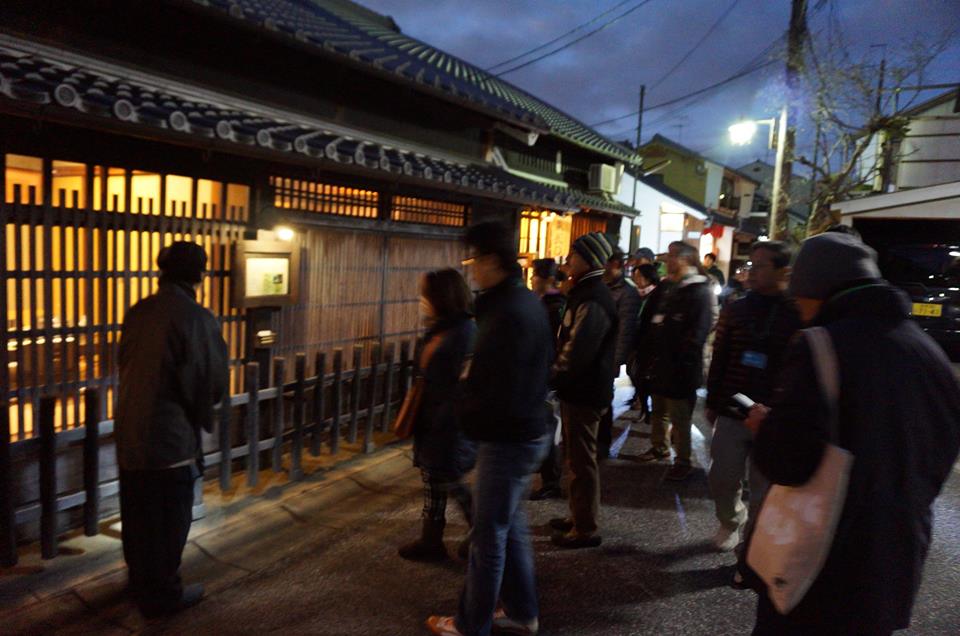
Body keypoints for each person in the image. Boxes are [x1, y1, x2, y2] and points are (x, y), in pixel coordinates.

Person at [744, 232, 960, 635]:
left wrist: (766, 428)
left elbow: (788, 462)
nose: (798, 307)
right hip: (895, 556)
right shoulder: (930, 353)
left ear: (818, 289)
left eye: (800, 296)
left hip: (824, 560)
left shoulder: (820, 346)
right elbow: (941, 453)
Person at [426, 222, 552, 636]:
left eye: (475, 260)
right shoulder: (523, 302)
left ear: (492, 260)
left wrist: (466, 412)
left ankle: (471, 623)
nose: (472, 269)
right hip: (526, 430)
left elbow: (489, 381)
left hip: (507, 437)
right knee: (508, 527)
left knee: (488, 536)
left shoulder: (507, 312)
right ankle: (522, 611)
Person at [116, 241, 228, 618]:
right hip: (170, 439)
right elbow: (210, 381)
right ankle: (163, 595)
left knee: (138, 516)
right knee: (169, 520)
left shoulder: (138, 311)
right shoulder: (196, 317)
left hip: (130, 435)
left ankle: (139, 582)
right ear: (198, 275)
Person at [704, 241, 800, 554]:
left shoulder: (796, 313)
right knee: (722, 476)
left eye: (760, 266)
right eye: (750, 265)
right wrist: (713, 400)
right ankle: (731, 520)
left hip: (773, 415)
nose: (751, 272)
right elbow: (720, 356)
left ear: (783, 271)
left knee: (764, 487)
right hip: (733, 408)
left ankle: (752, 545)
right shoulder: (736, 309)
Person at [399, 269, 477, 562]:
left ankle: (484, 534)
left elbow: (461, 386)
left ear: (442, 297)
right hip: (434, 420)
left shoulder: (463, 334)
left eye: (425, 295)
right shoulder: (440, 329)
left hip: (448, 424)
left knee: (451, 480)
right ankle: (430, 540)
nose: (421, 301)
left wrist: (445, 423)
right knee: (435, 480)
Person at [548, 232, 617, 549]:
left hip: (585, 390)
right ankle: (578, 515)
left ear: (588, 260)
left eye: (573, 255)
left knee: (581, 461)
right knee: (575, 458)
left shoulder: (594, 297)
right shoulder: (584, 292)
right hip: (579, 389)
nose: (568, 260)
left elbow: (578, 351)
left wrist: (554, 376)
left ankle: (585, 527)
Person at [639, 241, 716, 481]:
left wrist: (680, 361)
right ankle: (659, 447)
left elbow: (698, 333)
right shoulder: (669, 287)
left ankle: (683, 461)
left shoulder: (699, 290)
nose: (667, 261)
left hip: (681, 367)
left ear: (685, 259)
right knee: (659, 411)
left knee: (680, 418)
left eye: (672, 256)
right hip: (661, 362)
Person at [598, 250, 641, 459]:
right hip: (595, 352)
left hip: (607, 355)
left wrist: (617, 360)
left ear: (615, 264)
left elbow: (625, 330)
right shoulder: (601, 286)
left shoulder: (627, 292)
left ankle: (602, 444)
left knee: (604, 400)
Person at [530, 258, 565, 501]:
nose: (532, 280)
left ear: (547, 279)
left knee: (549, 427)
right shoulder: (543, 304)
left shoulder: (554, 307)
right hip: (541, 374)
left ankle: (551, 480)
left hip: (547, 375)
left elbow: (553, 344)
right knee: (546, 426)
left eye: (535, 276)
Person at [628, 263, 668, 420]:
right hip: (636, 342)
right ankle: (644, 407)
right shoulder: (635, 294)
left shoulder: (656, 295)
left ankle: (645, 408)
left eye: (639, 276)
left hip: (647, 344)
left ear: (648, 277)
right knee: (634, 373)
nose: (636, 279)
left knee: (641, 376)